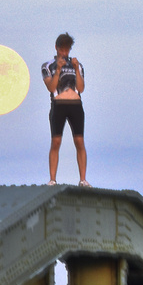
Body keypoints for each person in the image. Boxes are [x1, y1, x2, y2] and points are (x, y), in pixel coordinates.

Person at [41, 32, 90, 186]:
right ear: (56, 48)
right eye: (62, 49)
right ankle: (52, 179)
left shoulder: (78, 65)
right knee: (56, 141)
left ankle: (83, 179)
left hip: (75, 105)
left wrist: (76, 69)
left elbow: (81, 88)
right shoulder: (48, 66)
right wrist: (58, 70)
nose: (64, 52)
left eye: (67, 49)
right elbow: (51, 87)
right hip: (58, 105)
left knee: (79, 141)